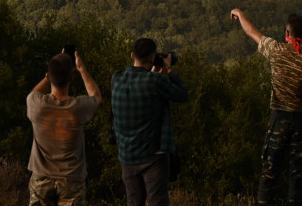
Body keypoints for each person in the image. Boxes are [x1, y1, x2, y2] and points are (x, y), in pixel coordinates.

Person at [231, 8, 302, 206]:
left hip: (279, 117)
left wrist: (239, 13)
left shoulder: (275, 50)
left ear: (286, 33)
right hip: (301, 119)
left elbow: (252, 32)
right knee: (298, 174)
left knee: (270, 170)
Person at [111, 38, 189, 206]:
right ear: (153, 58)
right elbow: (183, 95)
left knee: (133, 202)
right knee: (157, 202)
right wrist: (169, 69)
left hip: (127, 155)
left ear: (132, 55)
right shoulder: (155, 81)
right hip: (153, 156)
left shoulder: (116, 79)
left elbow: (139, 87)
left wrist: (153, 70)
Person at [27, 50, 103, 206]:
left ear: (48, 76)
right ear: (71, 79)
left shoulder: (36, 104)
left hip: (41, 177)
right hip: (72, 179)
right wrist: (82, 69)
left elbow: (33, 92)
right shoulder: (78, 107)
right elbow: (96, 96)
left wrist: (48, 77)